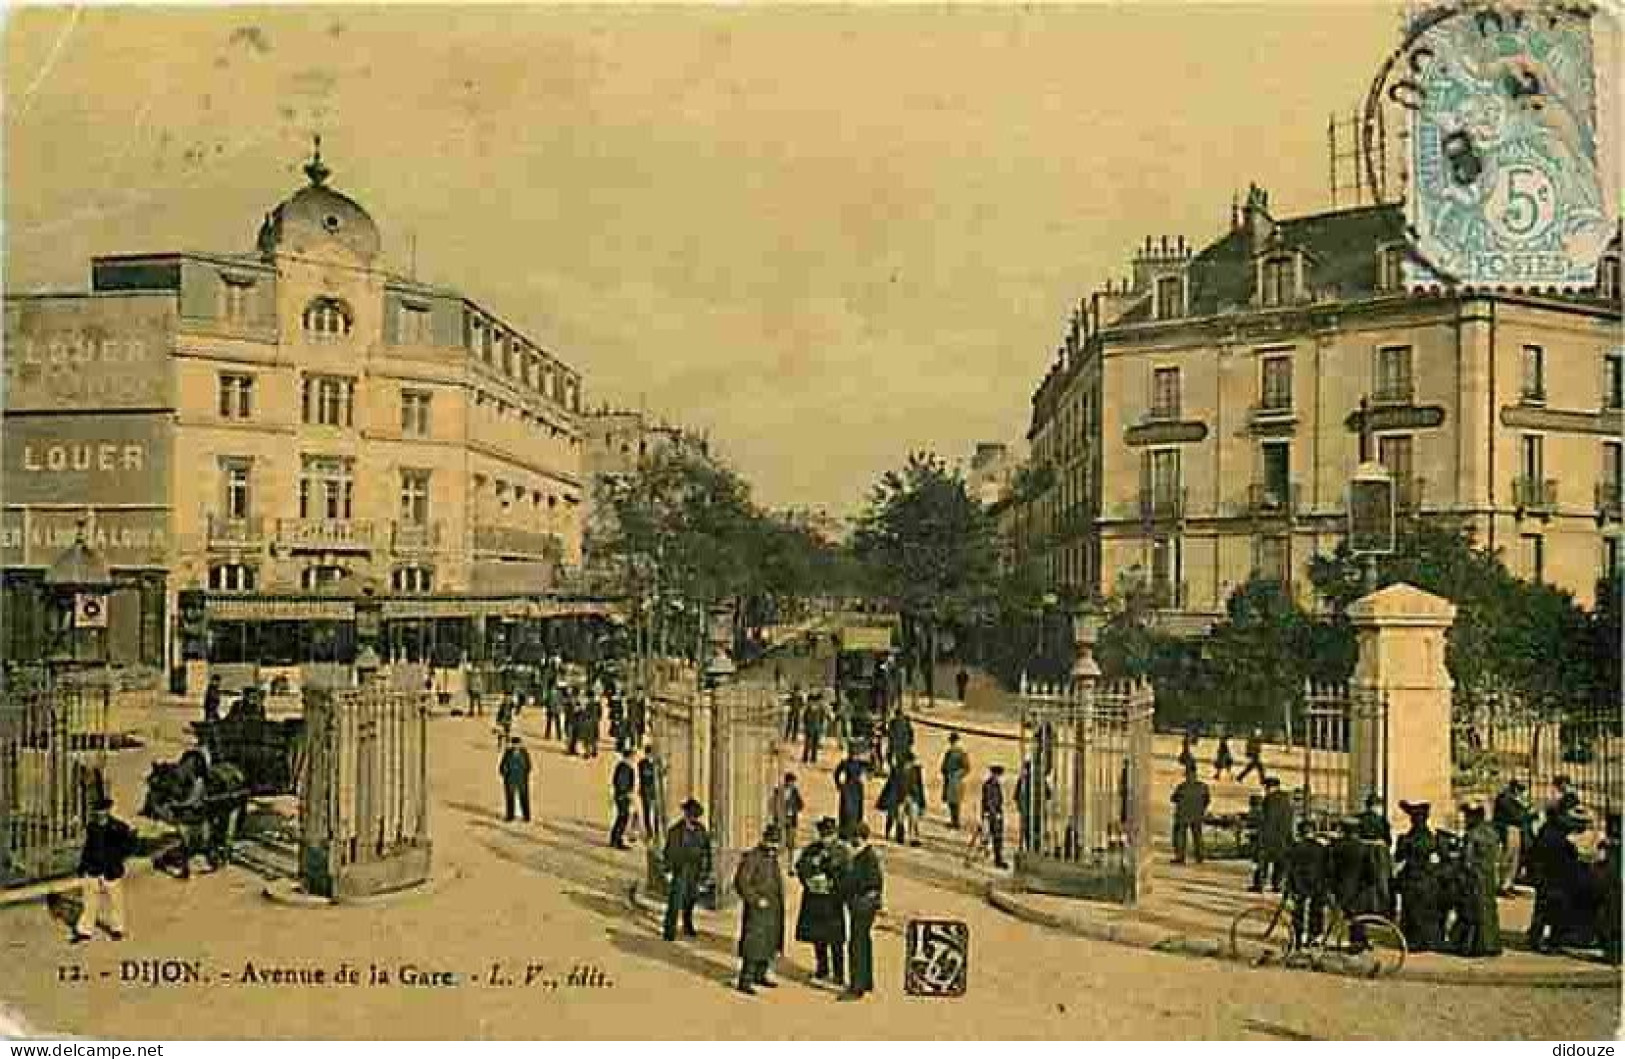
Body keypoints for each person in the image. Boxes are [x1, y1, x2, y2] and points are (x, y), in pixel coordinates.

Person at [72, 796, 135, 943]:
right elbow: (87, 848)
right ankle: (85, 931)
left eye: (103, 810)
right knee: (89, 901)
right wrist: (83, 866)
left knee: (116, 901)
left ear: (108, 811)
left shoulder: (118, 827)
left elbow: (130, 845)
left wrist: (119, 858)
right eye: (98, 811)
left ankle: (117, 928)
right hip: (93, 868)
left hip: (111, 870)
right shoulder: (92, 827)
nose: (100, 813)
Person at [795, 817, 850, 986]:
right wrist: (808, 879)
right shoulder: (812, 849)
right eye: (824, 834)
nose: (826, 838)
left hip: (833, 900)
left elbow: (847, 874)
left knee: (836, 940)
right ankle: (822, 968)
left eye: (830, 834)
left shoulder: (842, 851)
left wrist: (834, 881)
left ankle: (839, 974)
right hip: (815, 899)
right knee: (818, 938)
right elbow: (800, 867)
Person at [733, 824, 786, 995]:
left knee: (769, 943)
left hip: (773, 907)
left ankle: (760, 975)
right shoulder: (752, 857)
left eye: (776, 843)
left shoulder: (773, 858)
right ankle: (745, 979)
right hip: (758, 908)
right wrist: (755, 900)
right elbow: (741, 882)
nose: (774, 847)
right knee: (753, 944)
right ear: (764, 840)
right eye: (771, 842)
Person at [1526, 804, 1583, 954]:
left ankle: (1537, 937)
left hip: (1547, 877)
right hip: (1554, 878)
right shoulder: (1554, 834)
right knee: (1554, 911)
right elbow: (1567, 852)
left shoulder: (1546, 830)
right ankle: (1551, 942)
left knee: (1543, 910)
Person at [1393, 800, 1447, 952]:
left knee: (1411, 911)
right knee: (1428, 911)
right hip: (1429, 878)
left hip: (1411, 878)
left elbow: (1398, 857)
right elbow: (1444, 858)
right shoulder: (1434, 838)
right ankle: (1428, 940)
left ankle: (1413, 941)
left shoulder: (1406, 839)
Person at [838, 822, 883, 1001]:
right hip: (864, 906)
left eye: (853, 838)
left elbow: (870, 884)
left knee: (857, 944)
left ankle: (857, 986)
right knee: (863, 942)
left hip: (862, 906)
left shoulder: (866, 858)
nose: (850, 842)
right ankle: (866, 981)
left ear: (860, 838)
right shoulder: (864, 856)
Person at [1453, 802, 1503, 957]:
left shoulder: (1472, 835)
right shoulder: (1493, 833)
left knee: (1473, 912)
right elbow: (1498, 855)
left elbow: (1466, 861)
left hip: (1474, 878)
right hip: (1489, 875)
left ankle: (1475, 946)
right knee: (1489, 910)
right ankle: (1491, 944)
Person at [663, 799, 711, 942]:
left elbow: (706, 853)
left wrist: (706, 873)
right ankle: (669, 930)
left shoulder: (701, 831)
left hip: (694, 871)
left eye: (695, 817)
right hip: (680, 870)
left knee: (690, 900)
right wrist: (668, 871)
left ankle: (687, 925)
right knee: (675, 902)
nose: (692, 819)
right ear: (685, 815)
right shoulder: (675, 831)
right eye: (690, 816)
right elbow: (669, 852)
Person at [1283, 819, 1330, 948]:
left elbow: (1289, 868)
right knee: (1316, 911)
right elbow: (1327, 868)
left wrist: (1288, 887)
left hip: (1300, 884)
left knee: (1298, 912)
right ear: (1313, 832)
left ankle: (1298, 939)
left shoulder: (1294, 848)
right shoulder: (1321, 848)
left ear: (1300, 832)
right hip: (1317, 884)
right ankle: (1313, 937)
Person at [1251, 776, 1294, 892]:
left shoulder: (1269, 800)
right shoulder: (1287, 800)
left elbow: (1268, 820)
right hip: (1283, 836)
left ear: (1270, 787)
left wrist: (1261, 837)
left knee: (1262, 862)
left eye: (1266, 787)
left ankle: (1259, 884)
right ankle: (1277, 884)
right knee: (1280, 863)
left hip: (1269, 837)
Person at [1492, 778, 1532, 896]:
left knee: (1515, 859)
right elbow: (1516, 815)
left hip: (1515, 829)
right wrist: (1527, 810)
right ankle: (1503, 885)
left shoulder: (1513, 799)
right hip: (1507, 829)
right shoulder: (1505, 798)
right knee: (1507, 858)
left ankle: (1510, 883)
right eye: (1520, 789)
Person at [1170, 762, 1210, 865]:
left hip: (1183, 815)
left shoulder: (1182, 787)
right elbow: (1207, 800)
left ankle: (1180, 856)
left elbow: (1173, 798)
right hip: (1197, 815)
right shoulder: (1203, 786)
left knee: (1180, 835)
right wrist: (1201, 809)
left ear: (1187, 775)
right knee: (1197, 835)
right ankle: (1199, 856)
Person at [769, 772, 806, 857]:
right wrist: (776, 813)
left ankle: (790, 858)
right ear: (787, 781)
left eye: (793, 782)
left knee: (791, 841)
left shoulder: (795, 792)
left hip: (791, 819)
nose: (792, 784)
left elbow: (801, 805)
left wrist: (793, 810)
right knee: (780, 839)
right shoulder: (778, 791)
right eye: (791, 782)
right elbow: (772, 804)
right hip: (781, 818)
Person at [834, 746, 867, 840]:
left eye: (856, 754)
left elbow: (872, 768)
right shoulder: (845, 762)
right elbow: (836, 773)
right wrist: (839, 785)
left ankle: (855, 831)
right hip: (848, 787)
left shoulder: (861, 763)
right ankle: (844, 832)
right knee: (846, 810)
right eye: (853, 754)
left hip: (858, 788)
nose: (854, 756)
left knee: (858, 810)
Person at [939, 732, 970, 829]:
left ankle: (956, 822)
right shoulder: (949, 752)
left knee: (955, 801)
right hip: (949, 779)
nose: (952, 743)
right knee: (950, 801)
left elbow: (966, 768)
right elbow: (943, 766)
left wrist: (957, 775)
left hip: (956, 780)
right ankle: (953, 820)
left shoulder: (960, 752)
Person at [499, 736, 532, 823]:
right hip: (510, 779)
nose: (516, 746)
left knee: (524, 798)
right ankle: (510, 816)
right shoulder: (508, 753)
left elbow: (529, 766)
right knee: (510, 798)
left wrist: (525, 776)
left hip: (521, 779)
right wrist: (506, 776)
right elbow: (501, 766)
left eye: (518, 744)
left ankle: (527, 816)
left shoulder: (524, 752)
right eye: (515, 744)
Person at [982, 764, 1009, 869]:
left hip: (995, 814)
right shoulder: (990, 785)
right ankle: (998, 860)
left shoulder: (994, 784)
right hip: (993, 815)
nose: (999, 777)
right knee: (996, 837)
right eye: (998, 775)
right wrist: (995, 814)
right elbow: (989, 802)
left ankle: (998, 858)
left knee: (997, 837)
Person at [609, 749, 636, 849]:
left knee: (622, 818)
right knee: (622, 818)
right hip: (622, 797)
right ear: (628, 757)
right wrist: (626, 794)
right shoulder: (624, 768)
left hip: (621, 796)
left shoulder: (623, 766)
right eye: (633, 757)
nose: (634, 759)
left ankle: (616, 839)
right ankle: (616, 840)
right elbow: (621, 783)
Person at [637, 745, 663, 838]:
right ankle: (649, 831)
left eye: (651, 754)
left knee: (656, 812)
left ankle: (656, 831)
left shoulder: (658, 763)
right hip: (646, 790)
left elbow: (661, 774)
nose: (649, 755)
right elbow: (644, 775)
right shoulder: (641, 763)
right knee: (647, 812)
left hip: (655, 791)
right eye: (648, 754)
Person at [802, 694, 827, 765]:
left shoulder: (821, 708)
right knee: (808, 744)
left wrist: (820, 728)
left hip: (817, 728)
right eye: (821, 700)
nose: (821, 702)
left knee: (815, 744)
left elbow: (822, 718)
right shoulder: (809, 708)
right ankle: (805, 759)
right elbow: (805, 718)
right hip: (810, 728)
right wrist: (806, 726)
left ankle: (813, 759)